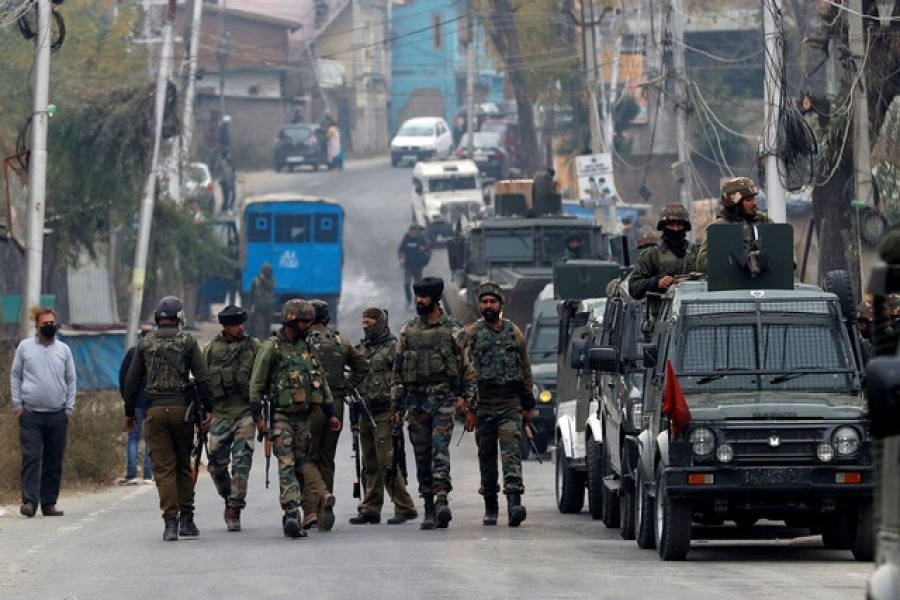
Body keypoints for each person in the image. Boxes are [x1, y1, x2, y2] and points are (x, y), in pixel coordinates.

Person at [123, 295, 213, 541]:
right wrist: (208, 409)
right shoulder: (188, 341)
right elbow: (202, 378)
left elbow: (132, 382)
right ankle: (187, 519)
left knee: (163, 470)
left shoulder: (145, 343)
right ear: (178, 318)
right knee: (183, 465)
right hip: (182, 412)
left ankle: (170, 523)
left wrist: (129, 412)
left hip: (154, 413)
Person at [249, 299, 341, 538]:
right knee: (286, 464)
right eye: (305, 321)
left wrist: (331, 413)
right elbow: (257, 384)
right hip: (280, 416)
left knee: (300, 466)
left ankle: (302, 510)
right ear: (291, 319)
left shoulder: (308, 348)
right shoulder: (272, 347)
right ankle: (291, 514)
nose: (310, 325)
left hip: (304, 418)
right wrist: (258, 418)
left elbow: (320, 380)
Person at [392, 276, 477, 530]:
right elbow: (397, 373)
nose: (419, 300)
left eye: (424, 296)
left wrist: (468, 401)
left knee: (440, 450)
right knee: (421, 455)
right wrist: (396, 408)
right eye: (417, 296)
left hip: (443, 401)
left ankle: (441, 500)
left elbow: (467, 368)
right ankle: (428, 505)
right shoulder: (408, 331)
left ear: (435, 298)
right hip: (416, 403)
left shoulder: (453, 330)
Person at [460, 283, 534, 527]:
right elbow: (458, 366)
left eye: (492, 302)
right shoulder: (470, 334)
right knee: (486, 456)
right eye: (484, 302)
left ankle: (514, 503)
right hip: (483, 404)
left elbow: (525, 367)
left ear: (501, 305)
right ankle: (490, 506)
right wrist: (466, 406)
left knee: (511, 452)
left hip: (509, 403)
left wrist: (527, 403)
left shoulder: (514, 332)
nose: (488, 306)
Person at [302, 299, 369, 530]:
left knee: (306, 458)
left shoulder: (302, 342)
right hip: (336, 405)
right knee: (326, 458)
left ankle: (312, 506)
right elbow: (362, 366)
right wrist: (345, 386)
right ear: (327, 318)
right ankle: (324, 509)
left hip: (309, 407)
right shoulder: (341, 342)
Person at [348, 307, 418, 525]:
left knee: (387, 460)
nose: (365, 327)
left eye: (369, 323)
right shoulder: (362, 350)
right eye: (363, 322)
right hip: (365, 411)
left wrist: (399, 410)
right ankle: (371, 507)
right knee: (369, 462)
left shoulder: (392, 349)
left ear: (379, 324)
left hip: (385, 412)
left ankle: (404, 506)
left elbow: (402, 378)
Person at [11, 307, 77, 518]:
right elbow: (15, 376)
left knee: (53, 459)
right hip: (30, 413)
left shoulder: (64, 350)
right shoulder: (25, 347)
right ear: (37, 326)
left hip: (57, 414)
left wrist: (69, 408)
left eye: (52, 323)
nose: (49, 327)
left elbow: (71, 379)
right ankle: (29, 501)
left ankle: (49, 503)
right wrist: (18, 406)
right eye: (45, 324)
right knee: (31, 457)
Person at [202, 305, 261, 532]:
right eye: (236, 324)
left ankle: (235, 507)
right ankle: (228, 497)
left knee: (242, 462)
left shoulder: (254, 347)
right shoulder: (210, 349)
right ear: (226, 326)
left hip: (245, 413)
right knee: (216, 463)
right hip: (220, 414)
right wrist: (202, 413)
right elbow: (201, 381)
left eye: (242, 323)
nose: (240, 328)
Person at [628, 203, 701, 313]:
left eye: (679, 225)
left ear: (685, 227)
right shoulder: (652, 254)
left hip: (695, 313)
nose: (675, 229)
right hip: (662, 318)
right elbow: (634, 287)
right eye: (671, 224)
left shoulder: (697, 252)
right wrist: (657, 283)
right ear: (663, 226)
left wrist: (700, 277)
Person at [697, 176, 773, 271]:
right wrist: (733, 261)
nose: (754, 203)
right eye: (748, 200)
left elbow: (781, 247)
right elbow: (702, 263)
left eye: (754, 198)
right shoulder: (719, 227)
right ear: (735, 204)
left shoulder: (763, 220)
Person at [117, 323, 154, 486]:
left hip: (136, 403)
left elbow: (123, 377)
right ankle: (148, 475)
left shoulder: (132, 352)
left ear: (140, 335)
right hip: (153, 403)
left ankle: (131, 474)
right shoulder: (157, 353)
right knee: (150, 439)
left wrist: (127, 400)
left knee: (133, 437)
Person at [397, 225, 432, 310]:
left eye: (414, 231)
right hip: (408, 266)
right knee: (406, 284)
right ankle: (408, 301)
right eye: (411, 231)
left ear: (416, 232)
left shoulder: (421, 238)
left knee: (418, 286)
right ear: (409, 232)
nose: (412, 233)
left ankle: (417, 302)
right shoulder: (406, 239)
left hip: (418, 266)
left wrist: (424, 248)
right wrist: (400, 259)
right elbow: (400, 250)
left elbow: (428, 245)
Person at [247, 263, 275, 339]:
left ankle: (267, 344)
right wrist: (249, 307)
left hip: (268, 308)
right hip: (259, 308)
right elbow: (251, 295)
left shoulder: (271, 280)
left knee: (267, 329)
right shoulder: (255, 281)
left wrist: (263, 279)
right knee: (260, 329)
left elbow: (270, 287)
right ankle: (261, 345)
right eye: (266, 270)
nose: (267, 271)